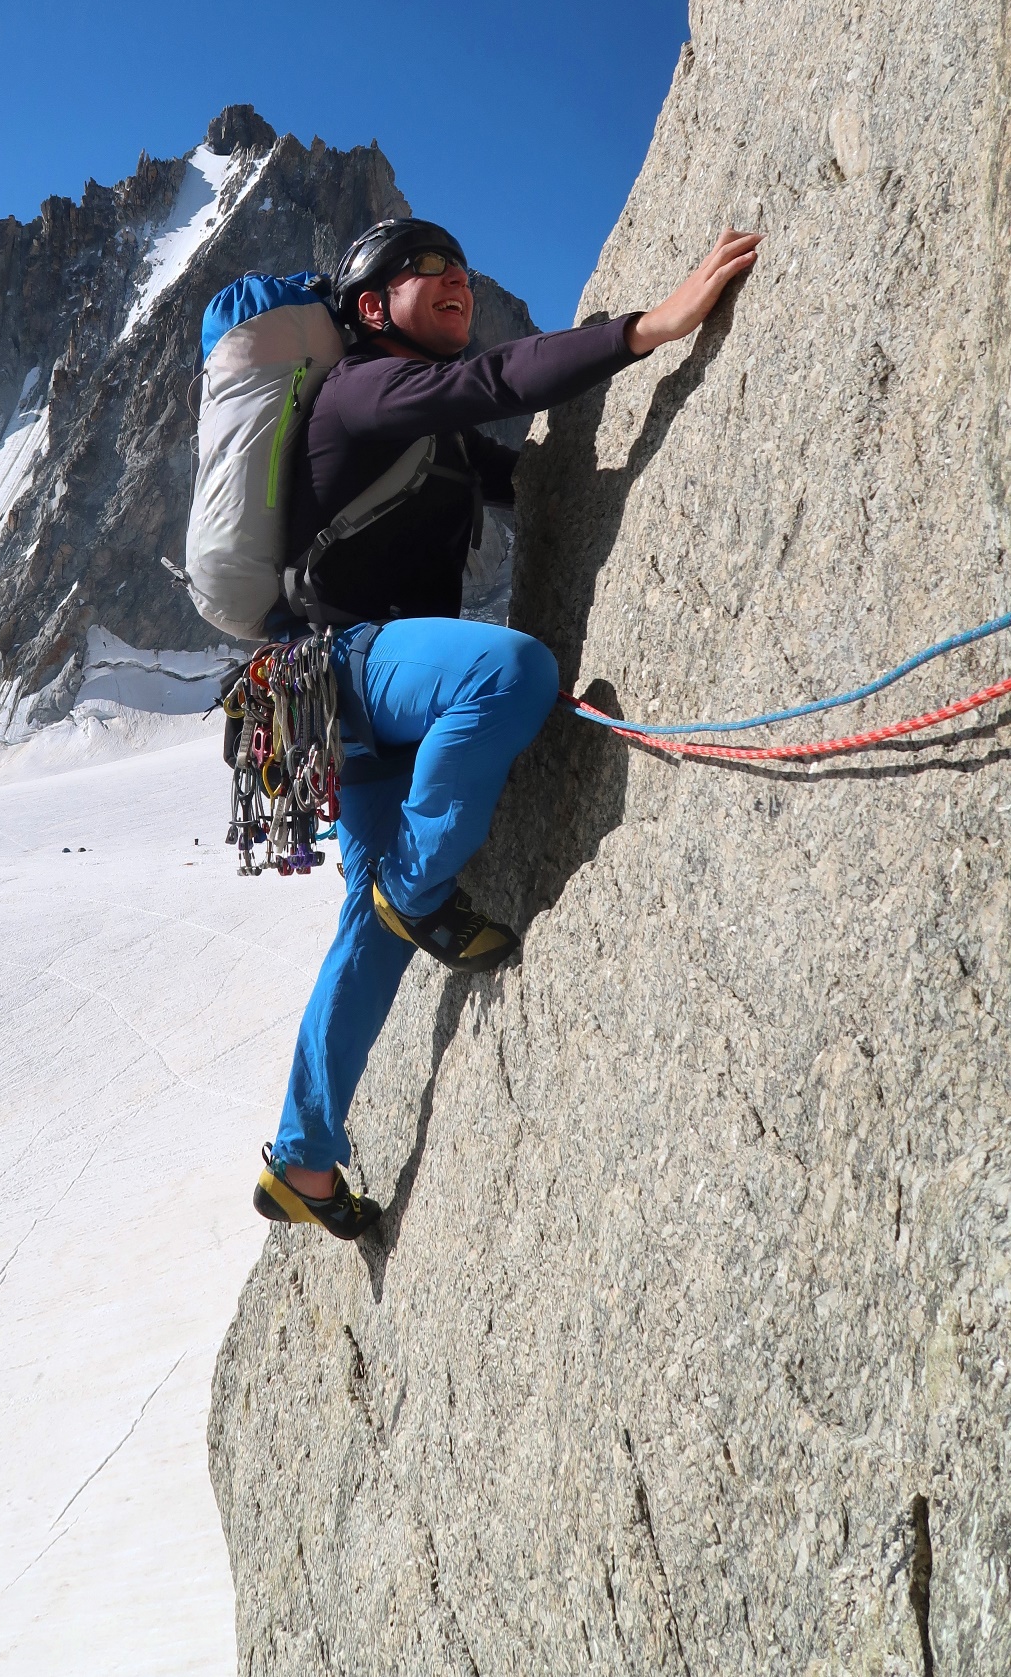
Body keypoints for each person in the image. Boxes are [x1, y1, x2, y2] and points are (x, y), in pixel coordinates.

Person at [253, 214, 762, 1239]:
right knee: (507, 669)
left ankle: (301, 1158)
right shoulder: (359, 390)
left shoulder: (419, 428)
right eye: (423, 270)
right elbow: (493, 383)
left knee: (369, 928)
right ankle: (420, 884)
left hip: (333, 702)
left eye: (459, 266)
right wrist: (646, 328)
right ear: (368, 307)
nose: (455, 278)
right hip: (349, 668)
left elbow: (518, 462)